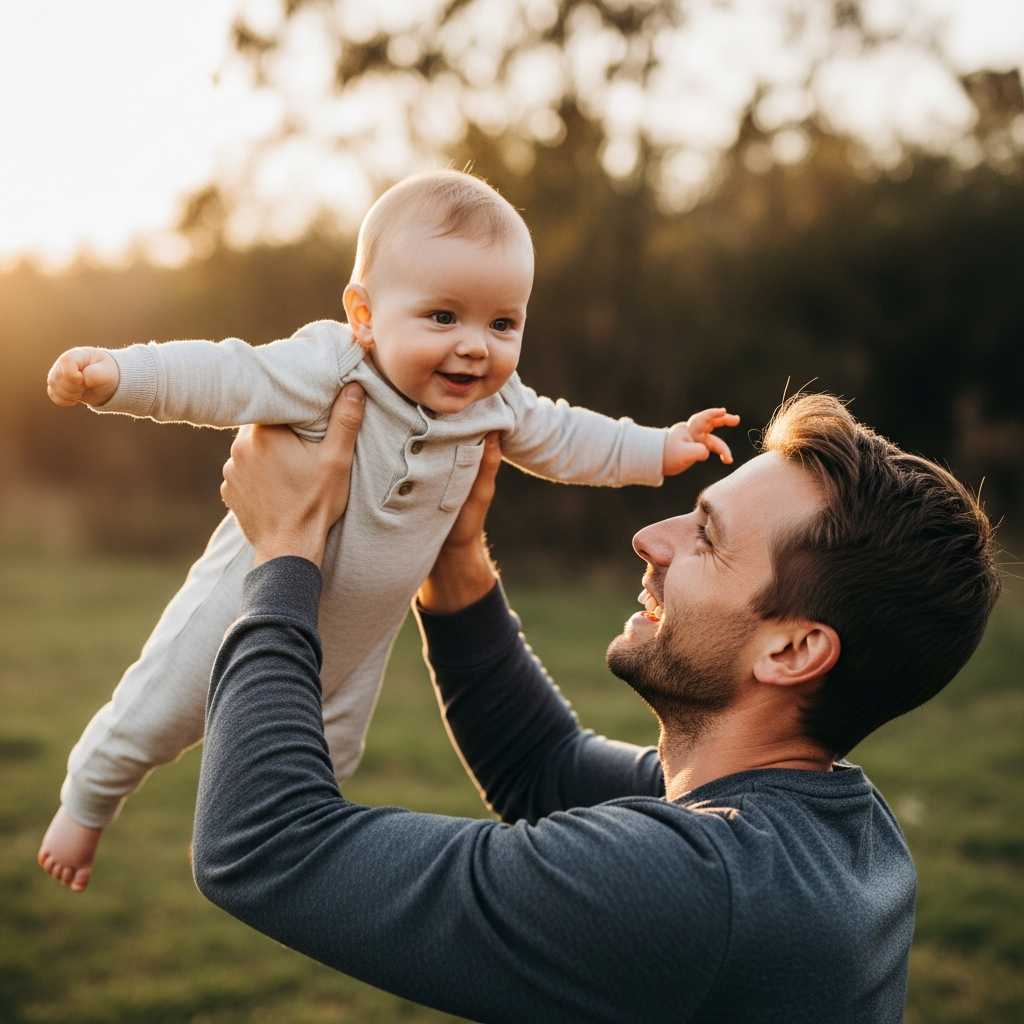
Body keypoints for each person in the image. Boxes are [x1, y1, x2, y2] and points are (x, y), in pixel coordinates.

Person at [190, 387, 999, 1023]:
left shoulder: (702, 891)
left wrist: (288, 547)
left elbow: (263, 842)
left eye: (707, 538)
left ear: (792, 651)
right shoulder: (835, 831)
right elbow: (542, 767)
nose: (652, 536)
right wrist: (457, 556)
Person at [38, 169, 740, 892]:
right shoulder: (331, 366)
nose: (476, 347)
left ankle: (252, 825)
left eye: (503, 324)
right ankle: (85, 805)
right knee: (158, 711)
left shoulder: (498, 405)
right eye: (443, 317)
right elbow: (225, 375)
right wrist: (117, 377)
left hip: (359, 637)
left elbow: (570, 437)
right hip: (244, 606)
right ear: (364, 314)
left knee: (326, 757)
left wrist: (659, 448)